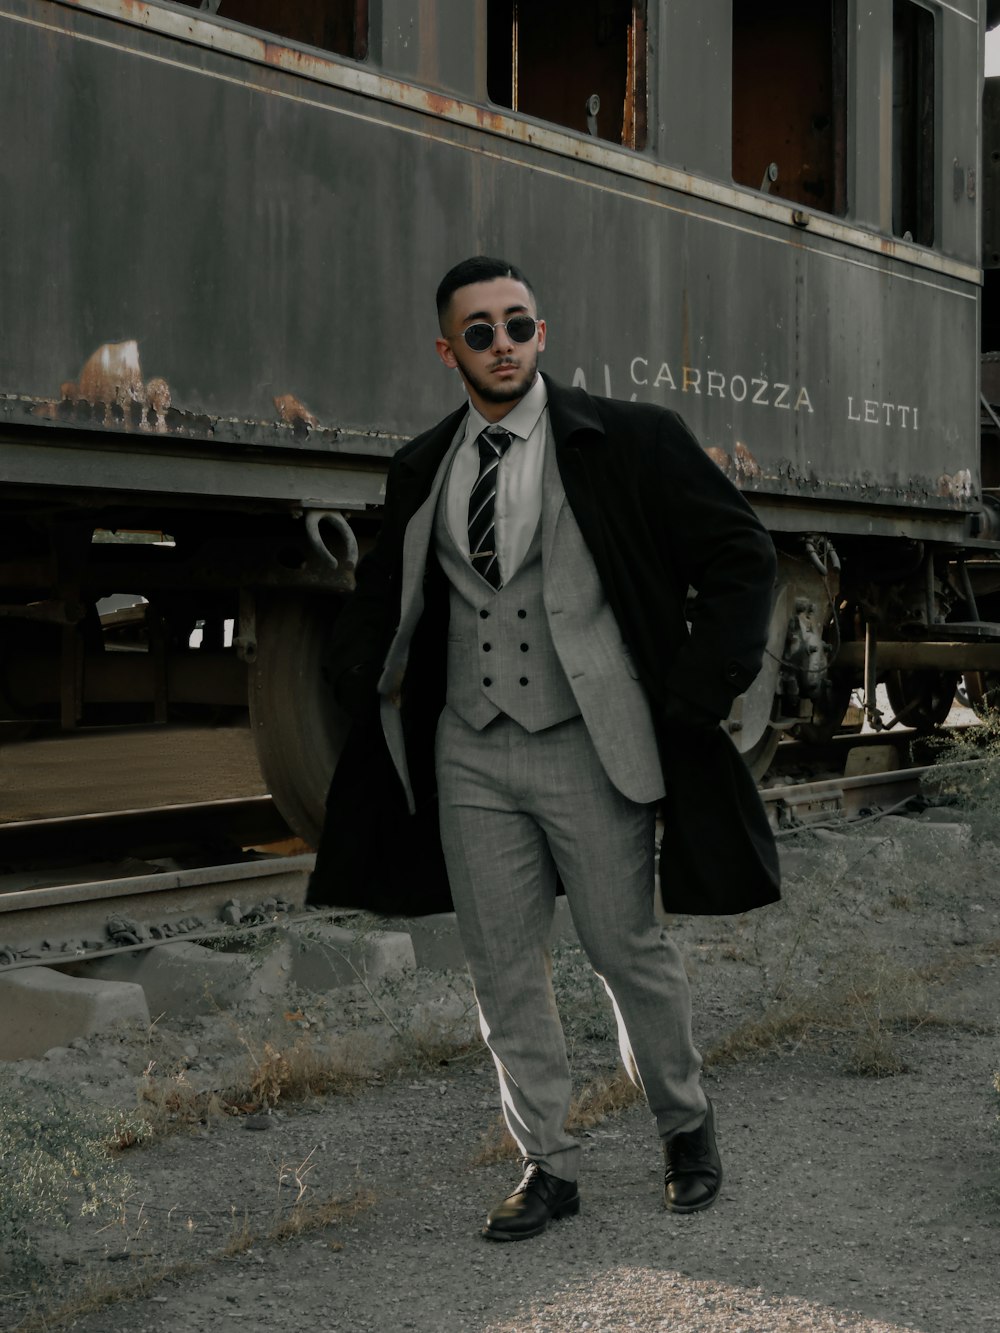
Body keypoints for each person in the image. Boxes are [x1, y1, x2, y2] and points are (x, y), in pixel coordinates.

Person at [308, 255, 780, 1241]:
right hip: (468, 750)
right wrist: (360, 673)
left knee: (622, 948)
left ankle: (685, 1130)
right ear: (450, 350)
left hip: (589, 744)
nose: (504, 345)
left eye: (518, 325)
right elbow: (383, 596)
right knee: (500, 967)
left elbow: (741, 554)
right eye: (479, 332)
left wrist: (696, 691)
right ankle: (548, 1164)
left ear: (542, 334)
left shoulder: (631, 441)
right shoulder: (422, 465)